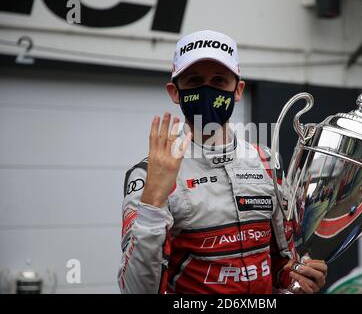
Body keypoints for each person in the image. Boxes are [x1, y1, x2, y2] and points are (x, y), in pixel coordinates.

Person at [118, 30, 327, 294]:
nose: (207, 91)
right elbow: (135, 290)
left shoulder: (266, 161)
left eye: (219, 81)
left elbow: (281, 263)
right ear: (175, 92)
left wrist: (300, 276)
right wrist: (153, 205)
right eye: (194, 81)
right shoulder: (149, 174)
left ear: (238, 90)